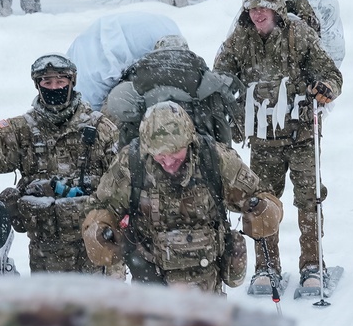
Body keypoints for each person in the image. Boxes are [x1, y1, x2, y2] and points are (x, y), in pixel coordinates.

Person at [213, 0, 343, 294]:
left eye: (263, 8)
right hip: (262, 137)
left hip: (302, 133)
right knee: (260, 203)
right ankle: (266, 268)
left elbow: (331, 74)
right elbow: (221, 74)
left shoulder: (299, 34)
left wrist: (326, 88)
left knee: (308, 199)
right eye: (253, 9)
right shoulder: (240, 40)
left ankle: (313, 266)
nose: (258, 14)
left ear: (276, 9)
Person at [82, 101, 283, 294]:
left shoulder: (213, 157)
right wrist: (99, 229)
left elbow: (259, 196)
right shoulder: (130, 162)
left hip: (206, 272)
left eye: (176, 153)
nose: (168, 162)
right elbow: (102, 207)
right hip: (152, 274)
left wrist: (262, 211)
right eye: (160, 156)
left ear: (189, 140)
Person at [0, 54, 123, 275]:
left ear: (72, 82)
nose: (54, 87)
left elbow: (123, 185)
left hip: (98, 253)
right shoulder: (24, 130)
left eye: (61, 81)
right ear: (38, 85)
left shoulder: (101, 129)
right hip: (47, 256)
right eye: (47, 82)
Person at [101, 34, 243, 148]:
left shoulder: (138, 78)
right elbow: (222, 130)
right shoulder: (203, 79)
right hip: (197, 153)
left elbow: (115, 119)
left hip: (151, 154)